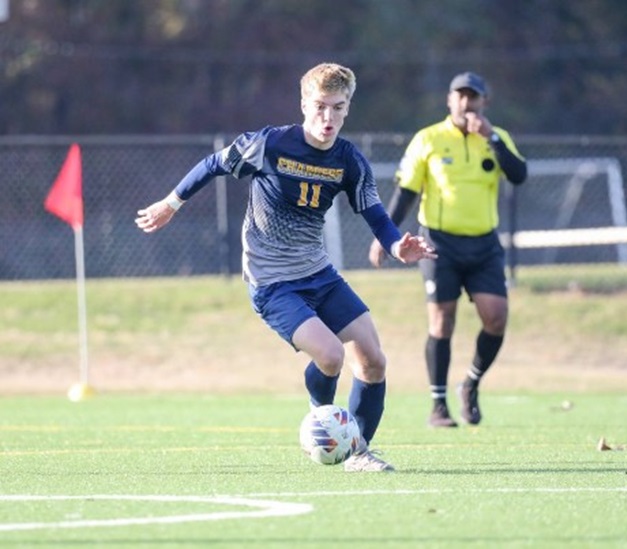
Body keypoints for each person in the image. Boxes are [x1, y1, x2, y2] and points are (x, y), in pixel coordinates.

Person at [135, 63, 435, 470]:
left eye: (338, 108)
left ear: (348, 109)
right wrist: (170, 205)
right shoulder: (268, 145)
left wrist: (398, 245)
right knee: (330, 355)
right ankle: (322, 425)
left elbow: (375, 214)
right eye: (320, 107)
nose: (328, 118)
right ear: (303, 104)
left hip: (319, 274)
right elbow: (213, 165)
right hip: (273, 282)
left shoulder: (349, 160)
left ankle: (357, 451)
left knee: (373, 359)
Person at [369, 71, 527, 428]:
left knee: (496, 317)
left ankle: (470, 384)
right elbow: (406, 191)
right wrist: (385, 236)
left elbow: (519, 175)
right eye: (460, 95)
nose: (466, 102)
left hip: (484, 243)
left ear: (484, 102)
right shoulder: (428, 139)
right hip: (440, 243)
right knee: (442, 321)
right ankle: (438, 405)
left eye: (474, 97)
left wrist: (493, 140)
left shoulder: (496, 138)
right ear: (449, 100)